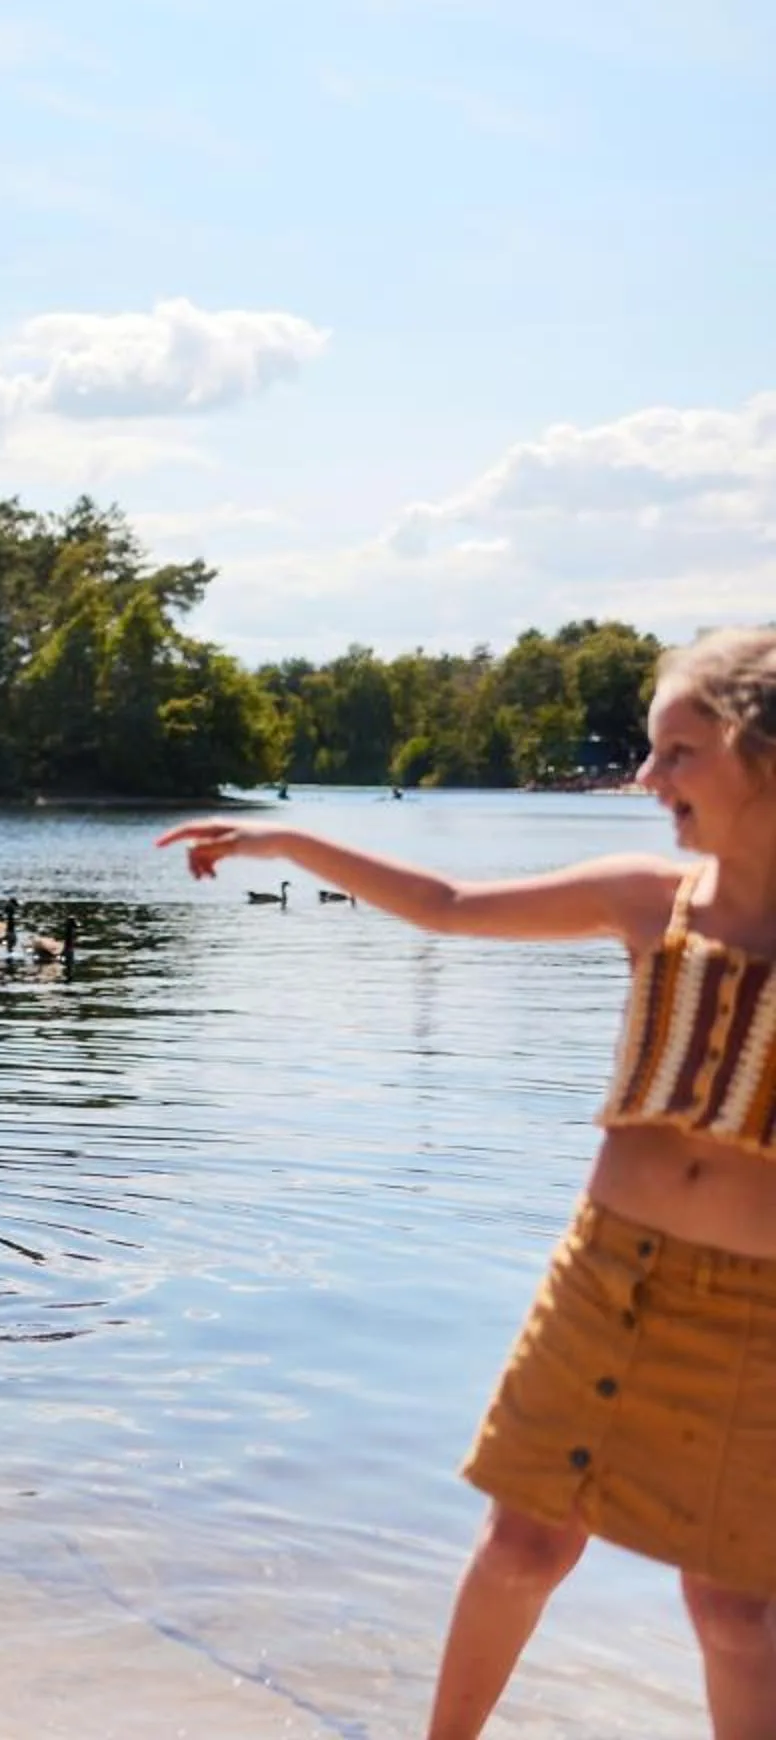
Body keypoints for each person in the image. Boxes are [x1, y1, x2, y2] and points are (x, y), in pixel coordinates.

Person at [158, 626, 776, 1740]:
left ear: (759, 751)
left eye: (676, 752)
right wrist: (292, 838)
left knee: (731, 1604)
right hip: (603, 1275)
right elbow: (447, 901)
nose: (648, 778)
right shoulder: (651, 897)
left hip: (754, 1315)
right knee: (525, 1541)